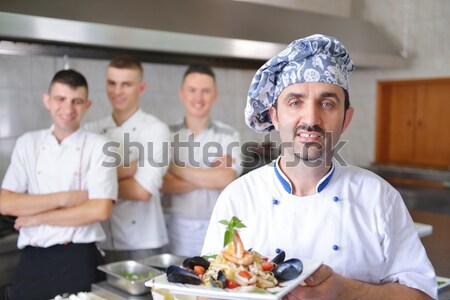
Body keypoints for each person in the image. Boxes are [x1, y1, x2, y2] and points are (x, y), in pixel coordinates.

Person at [201, 34, 437, 299]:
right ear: (275, 116)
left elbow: (423, 295)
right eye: (295, 102)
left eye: (327, 103)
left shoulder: (378, 197)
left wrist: (344, 290)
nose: (311, 119)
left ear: (346, 118)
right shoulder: (238, 197)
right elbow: (207, 292)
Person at [0, 69, 117, 300]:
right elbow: (5, 203)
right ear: (47, 101)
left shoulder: (100, 145)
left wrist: (36, 217)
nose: (68, 108)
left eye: (77, 101)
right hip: (33, 258)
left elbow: (99, 209)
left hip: (79, 258)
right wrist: (68, 198)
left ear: (87, 105)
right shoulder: (28, 143)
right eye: (60, 99)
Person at [85, 55, 170, 262]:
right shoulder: (91, 130)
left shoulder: (155, 130)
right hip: (103, 241)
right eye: (112, 83)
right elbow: (77, 185)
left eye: (126, 84)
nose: (117, 91)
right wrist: (126, 171)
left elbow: (142, 191)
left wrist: (98, 186)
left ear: (141, 87)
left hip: (144, 243)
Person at [161, 64, 242, 257]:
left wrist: (175, 168)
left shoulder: (228, 134)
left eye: (205, 91)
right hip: (177, 226)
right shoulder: (166, 134)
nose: (198, 98)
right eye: (192, 90)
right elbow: (163, 183)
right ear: (182, 94)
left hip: (218, 224)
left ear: (215, 95)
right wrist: (210, 174)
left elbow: (225, 179)